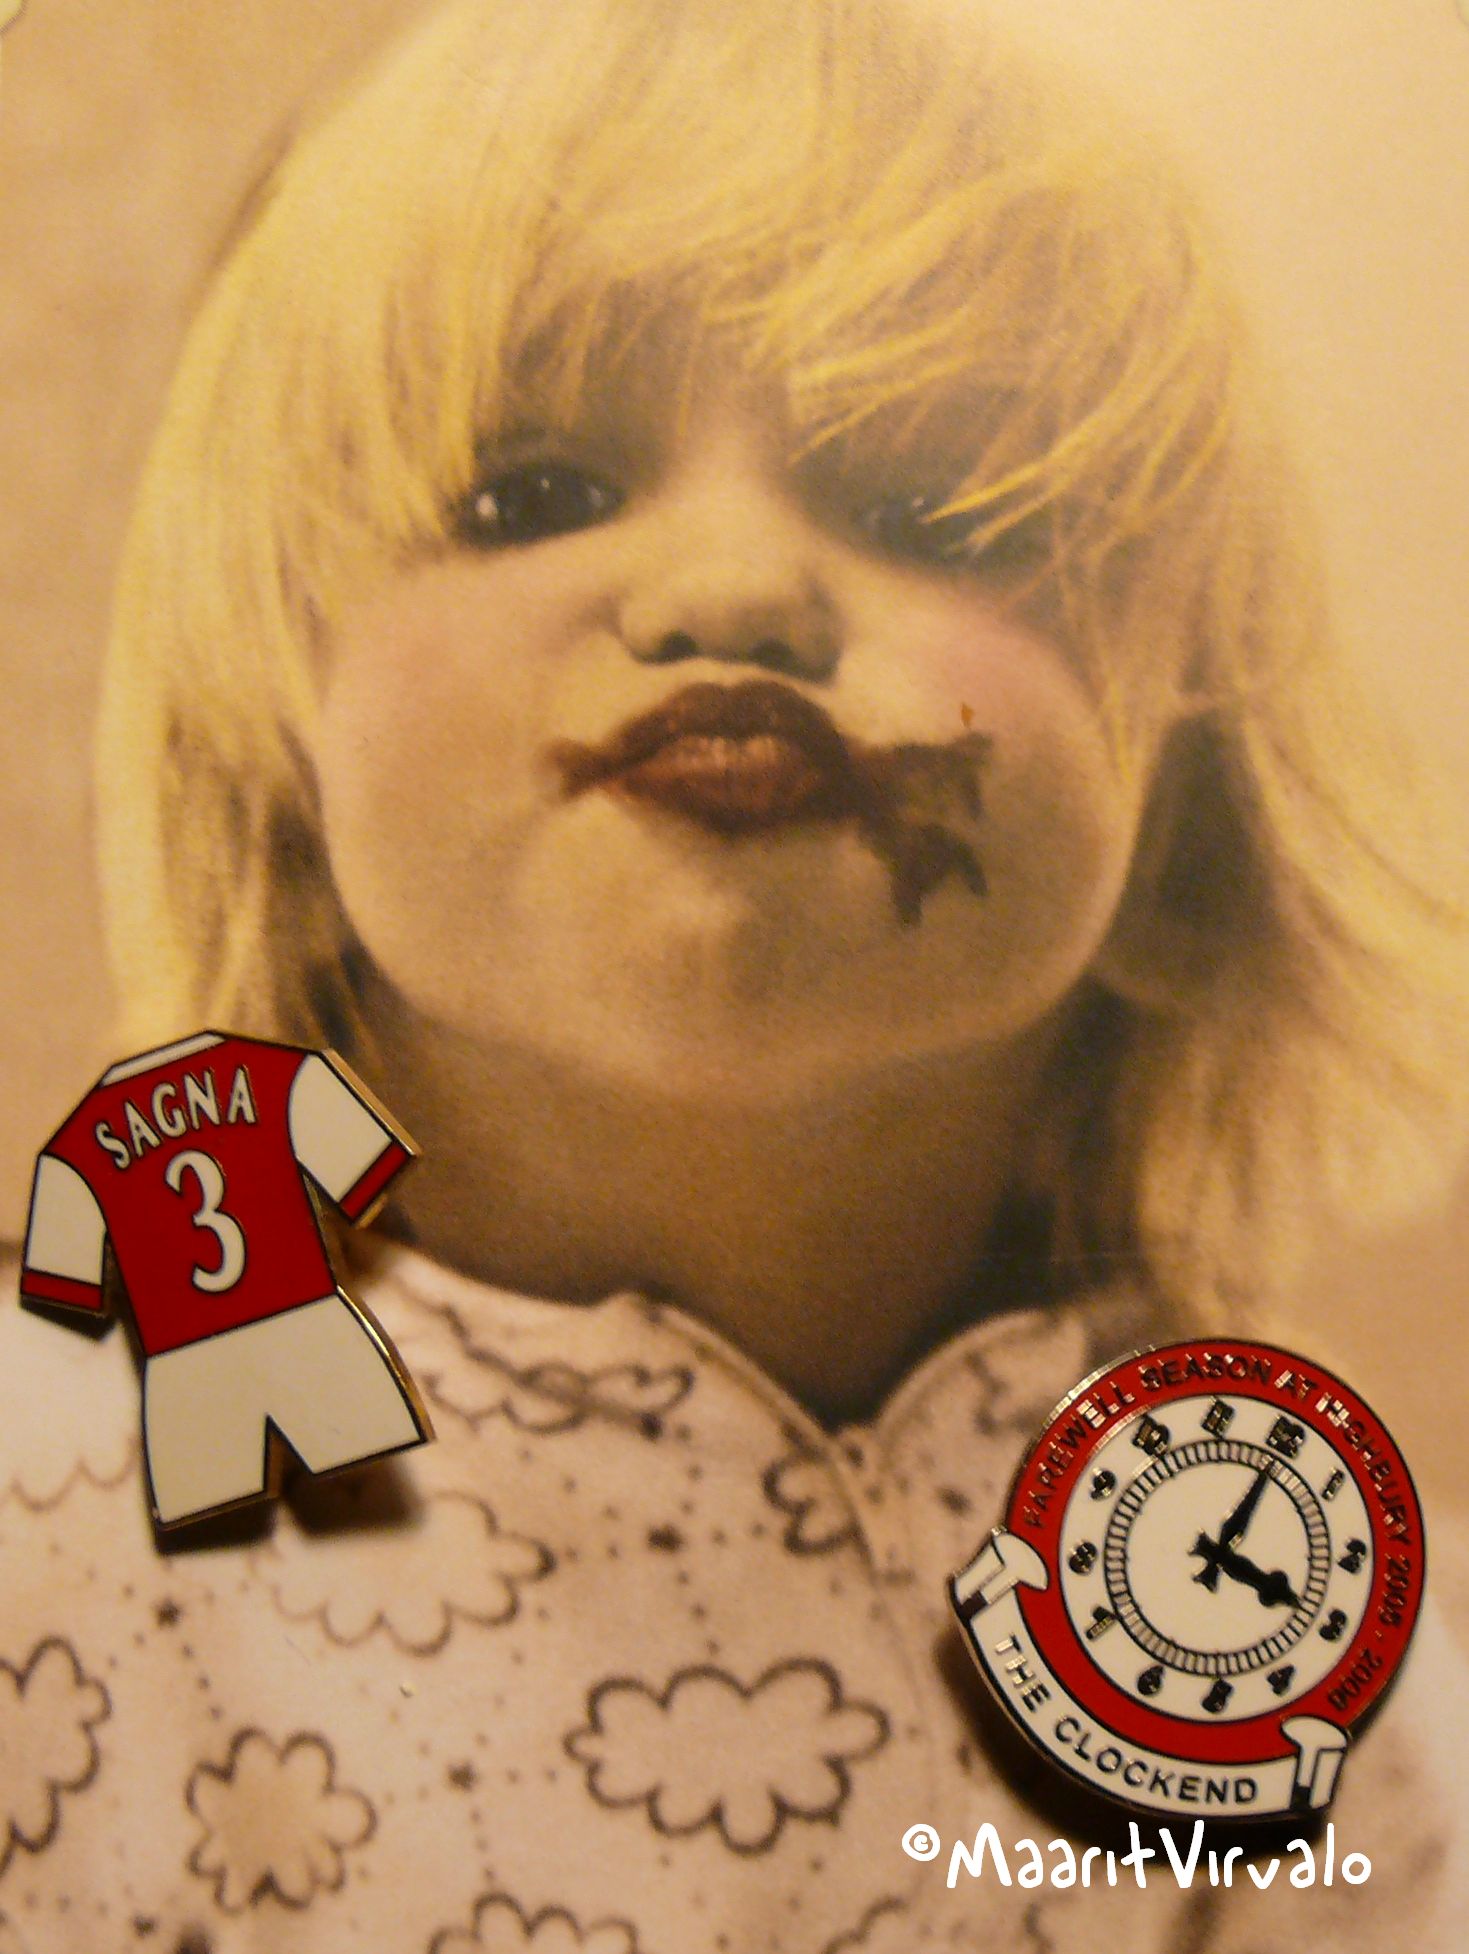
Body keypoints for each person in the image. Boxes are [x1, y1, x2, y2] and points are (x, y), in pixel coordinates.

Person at [3, 0, 1466, 1946]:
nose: (737, 586)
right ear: (288, 766)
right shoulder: (60, 1509)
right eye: (529, 490)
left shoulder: (1260, 1558)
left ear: (1181, 817)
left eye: (935, 510)